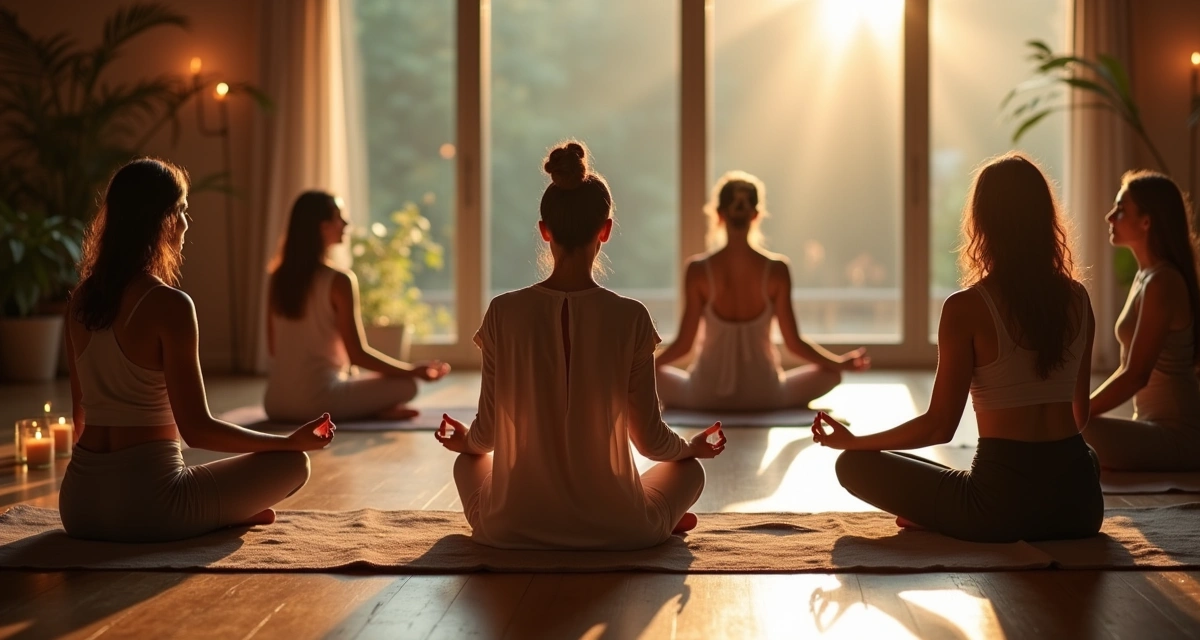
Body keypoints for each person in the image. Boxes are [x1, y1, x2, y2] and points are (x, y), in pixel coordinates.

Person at [436, 141, 726, 550]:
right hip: (621, 530)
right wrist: (690, 447)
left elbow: (485, 438)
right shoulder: (631, 316)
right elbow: (650, 442)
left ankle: (659, 515)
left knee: (467, 463)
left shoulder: (503, 312)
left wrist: (465, 441)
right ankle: (663, 516)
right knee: (691, 470)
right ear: (605, 230)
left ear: (544, 231)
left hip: (510, 529)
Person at [813, 153, 1102, 543]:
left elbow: (939, 426)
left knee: (853, 465)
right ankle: (948, 510)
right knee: (1085, 457)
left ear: (982, 223)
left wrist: (855, 442)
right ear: (1046, 219)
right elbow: (1079, 418)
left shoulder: (966, 307)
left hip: (998, 511)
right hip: (1080, 509)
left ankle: (943, 515)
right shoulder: (1079, 299)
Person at [60, 158, 333, 543]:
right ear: (163, 220)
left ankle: (220, 513)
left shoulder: (80, 302)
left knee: (208, 481)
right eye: (183, 211)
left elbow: (80, 418)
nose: (186, 224)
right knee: (294, 464)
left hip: (78, 506)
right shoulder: (170, 305)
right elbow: (198, 430)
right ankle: (218, 515)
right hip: (150, 509)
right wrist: (288, 442)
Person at [655, 171, 868, 411]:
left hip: (704, 395)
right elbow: (794, 343)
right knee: (832, 375)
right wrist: (838, 363)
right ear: (756, 215)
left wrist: (640, 367)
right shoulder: (777, 269)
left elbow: (683, 345)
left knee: (646, 376)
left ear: (719, 215)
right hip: (767, 394)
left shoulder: (697, 270)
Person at [263, 191, 450, 422]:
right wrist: (412, 370)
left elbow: (273, 349)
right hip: (317, 404)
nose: (346, 224)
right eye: (338, 217)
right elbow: (357, 355)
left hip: (274, 403)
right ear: (322, 226)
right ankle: (372, 410)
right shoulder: (338, 280)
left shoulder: (277, 278)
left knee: (355, 380)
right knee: (407, 385)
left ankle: (367, 408)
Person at [1083, 171, 1200, 470]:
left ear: (1146, 221)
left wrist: (1075, 415)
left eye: (1120, 209)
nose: (1109, 217)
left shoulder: (1162, 282)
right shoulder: (1146, 276)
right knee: (1065, 432)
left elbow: (1136, 375)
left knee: (1070, 432)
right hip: (1152, 427)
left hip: (1184, 438)